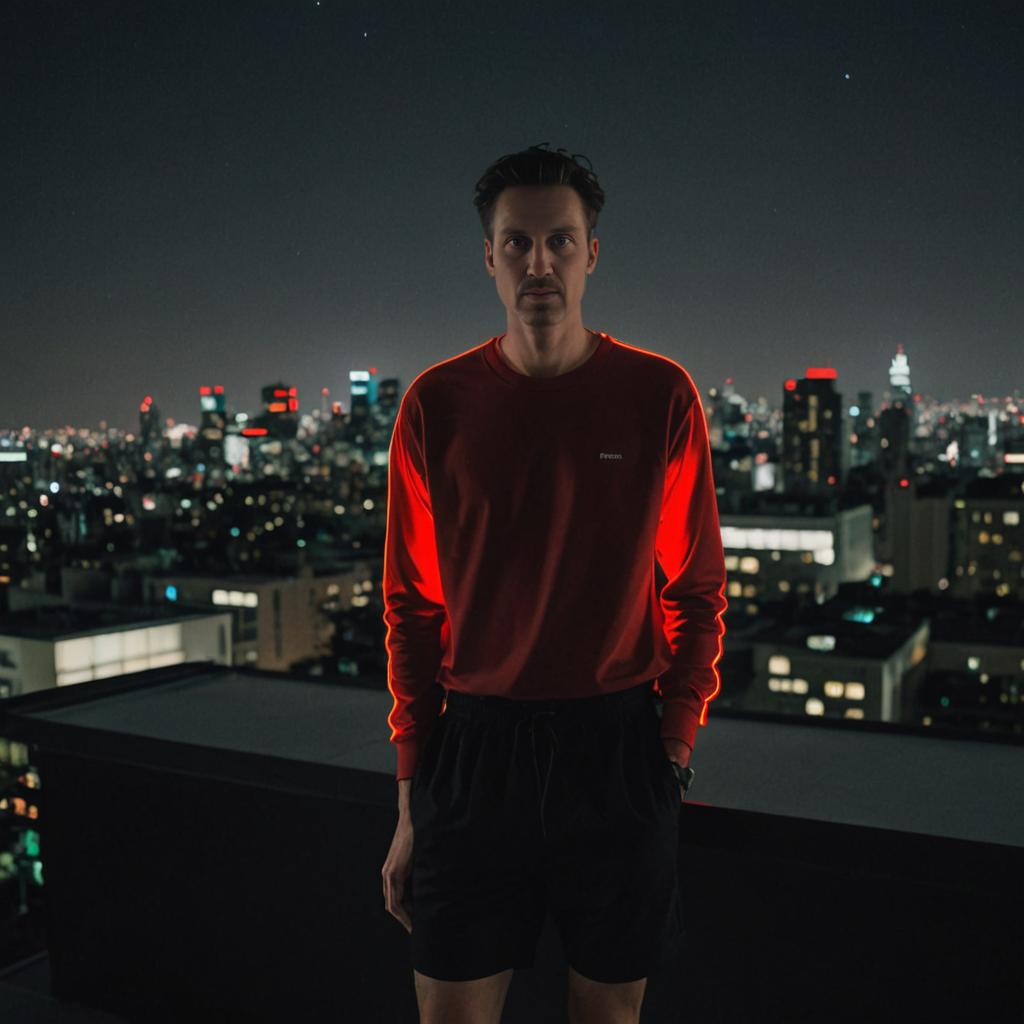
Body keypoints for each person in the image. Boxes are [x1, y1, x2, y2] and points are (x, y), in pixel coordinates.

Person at [380, 143, 728, 1024]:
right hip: (474, 754)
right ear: (489, 257)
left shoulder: (659, 395)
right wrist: (411, 799)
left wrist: (674, 748)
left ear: (592, 254)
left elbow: (697, 589)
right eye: (518, 243)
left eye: (561, 241)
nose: (540, 263)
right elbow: (411, 608)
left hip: (616, 753)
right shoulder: (436, 403)